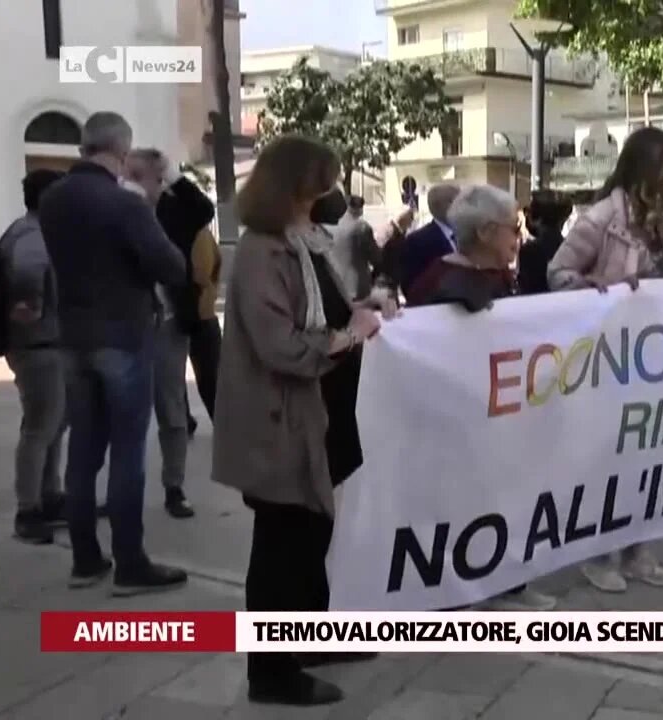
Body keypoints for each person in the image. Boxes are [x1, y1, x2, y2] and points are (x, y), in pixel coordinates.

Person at [212, 135, 394, 706]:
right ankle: (269, 672)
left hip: (318, 412)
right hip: (281, 419)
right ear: (296, 184)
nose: (332, 191)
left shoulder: (305, 241)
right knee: (281, 546)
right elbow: (283, 346)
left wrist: (364, 310)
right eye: (323, 180)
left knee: (311, 534)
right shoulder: (266, 251)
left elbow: (327, 312)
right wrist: (349, 335)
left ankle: (310, 636)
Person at [39, 112, 188, 593]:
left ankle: (85, 560)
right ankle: (130, 563)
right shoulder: (126, 203)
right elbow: (171, 266)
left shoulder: (53, 197)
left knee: (83, 450)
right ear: (122, 152)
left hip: (73, 337)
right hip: (122, 336)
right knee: (127, 452)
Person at [409, 184, 563, 610]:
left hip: (496, 415)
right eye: (513, 228)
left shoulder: (488, 277)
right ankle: (461, 590)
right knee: (466, 504)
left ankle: (501, 582)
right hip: (462, 421)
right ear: (484, 233)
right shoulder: (451, 285)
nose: (520, 237)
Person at [548, 127, 663, 593]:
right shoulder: (601, 218)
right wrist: (598, 290)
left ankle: (636, 551)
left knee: (644, 457)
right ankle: (596, 553)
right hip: (607, 355)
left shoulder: (654, 218)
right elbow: (558, 273)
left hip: (648, 354)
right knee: (605, 458)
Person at [125, 148, 204, 519]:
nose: (144, 185)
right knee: (124, 413)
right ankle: (122, 489)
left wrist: (173, 174)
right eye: (135, 176)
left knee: (171, 410)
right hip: (125, 326)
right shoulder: (117, 210)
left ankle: (174, 486)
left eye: (151, 177)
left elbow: (204, 209)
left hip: (169, 324)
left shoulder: (174, 210)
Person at [0, 169, 67, 543]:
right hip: (37, 347)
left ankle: (49, 495)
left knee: (52, 423)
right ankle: (29, 510)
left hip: (43, 344)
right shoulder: (33, 235)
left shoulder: (28, 231)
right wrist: (30, 307)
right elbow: (26, 276)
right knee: (40, 426)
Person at [385, 183, 461, 302]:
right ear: (442, 205)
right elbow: (410, 286)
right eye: (458, 202)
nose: (463, 208)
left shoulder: (467, 235)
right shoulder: (417, 241)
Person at [186, 223, 223, 425]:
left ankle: (183, 418)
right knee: (211, 376)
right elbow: (212, 265)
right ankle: (223, 421)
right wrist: (211, 289)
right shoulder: (201, 232)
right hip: (202, 313)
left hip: (190, 313)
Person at [517, 189, 573, 295]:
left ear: (538, 218)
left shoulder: (530, 250)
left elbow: (527, 291)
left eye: (527, 212)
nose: (526, 217)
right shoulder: (570, 248)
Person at [331, 194, 381, 301]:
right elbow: (375, 257)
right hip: (357, 286)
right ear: (361, 208)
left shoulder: (333, 226)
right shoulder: (362, 227)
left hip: (337, 285)